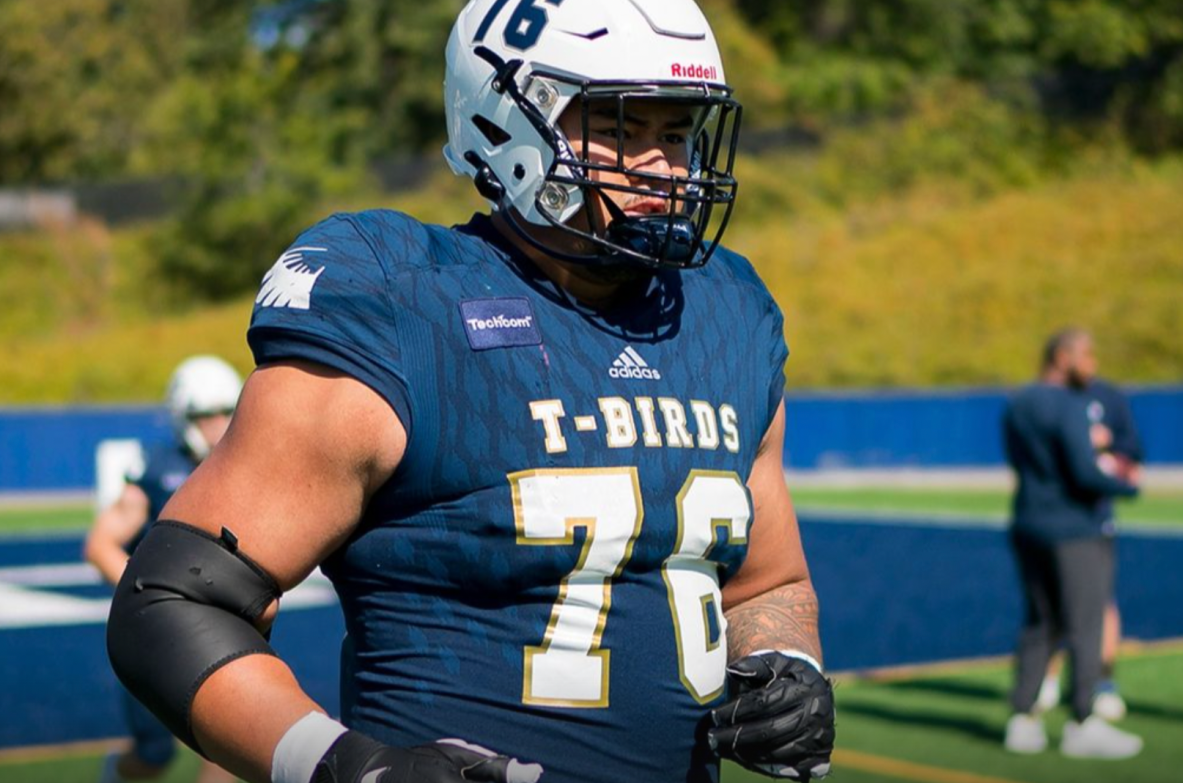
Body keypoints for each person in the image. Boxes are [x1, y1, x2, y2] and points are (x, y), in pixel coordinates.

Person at [105, 3, 836, 783]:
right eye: (621, 130)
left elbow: (769, 582)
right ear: (503, 124)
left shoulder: (725, 313)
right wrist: (349, 768)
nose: (663, 168)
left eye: (678, 132)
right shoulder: (407, 303)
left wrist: (784, 660)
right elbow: (173, 601)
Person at [85, 355, 243, 783]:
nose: (217, 424)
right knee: (153, 755)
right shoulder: (157, 468)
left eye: (226, 412)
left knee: (226, 748)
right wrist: (156, 597)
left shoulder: (243, 465)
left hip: (220, 626)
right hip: (156, 630)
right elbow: (101, 544)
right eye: (205, 415)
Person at [1001, 328, 1142, 759]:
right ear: (1063, 357)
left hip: (1029, 522)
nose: (1093, 363)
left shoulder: (1018, 403)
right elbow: (1084, 472)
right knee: (1085, 623)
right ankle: (1083, 722)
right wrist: (1125, 485)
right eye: (1087, 355)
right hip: (1075, 529)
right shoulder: (1069, 404)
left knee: (1040, 622)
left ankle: (1022, 720)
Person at [1034, 375, 1143, 721]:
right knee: (1052, 603)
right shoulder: (1045, 401)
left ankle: (1103, 683)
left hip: (1093, 517)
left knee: (1099, 601)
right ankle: (1046, 679)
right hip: (1054, 518)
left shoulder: (1107, 396)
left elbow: (1132, 450)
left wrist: (1110, 452)